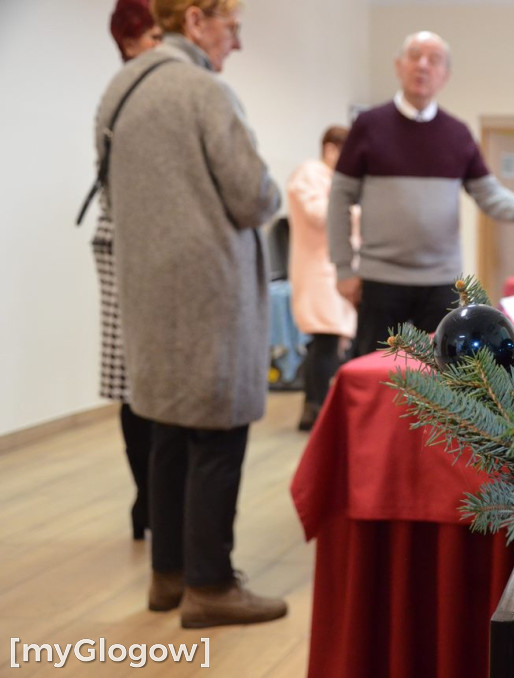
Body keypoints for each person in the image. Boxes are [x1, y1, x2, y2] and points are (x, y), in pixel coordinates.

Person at [95, 0, 285, 628]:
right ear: (196, 21)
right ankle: (210, 586)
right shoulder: (206, 91)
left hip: (148, 290)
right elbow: (254, 195)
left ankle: (167, 575)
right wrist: (273, 185)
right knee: (219, 433)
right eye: (232, 28)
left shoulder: (119, 90)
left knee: (167, 429)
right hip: (211, 292)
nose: (236, 42)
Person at [327, 30, 514, 358]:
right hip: (381, 281)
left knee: (443, 376)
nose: (423, 66)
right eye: (415, 56)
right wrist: (343, 269)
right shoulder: (368, 126)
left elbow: (489, 194)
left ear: (445, 75)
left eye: (434, 60)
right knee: (374, 372)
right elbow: (339, 197)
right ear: (399, 66)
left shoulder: (457, 133)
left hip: (441, 284)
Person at [94, 0, 163, 542]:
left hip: (133, 240)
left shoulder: (129, 90)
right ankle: (149, 498)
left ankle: (150, 501)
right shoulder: (136, 92)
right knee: (136, 381)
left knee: (141, 380)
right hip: (132, 244)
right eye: (154, 32)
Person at [287, 125, 360, 431]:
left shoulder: (337, 179)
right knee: (325, 339)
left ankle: (324, 408)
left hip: (338, 269)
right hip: (319, 271)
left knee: (334, 341)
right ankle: (314, 411)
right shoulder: (310, 174)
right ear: (330, 149)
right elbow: (318, 214)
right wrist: (359, 210)